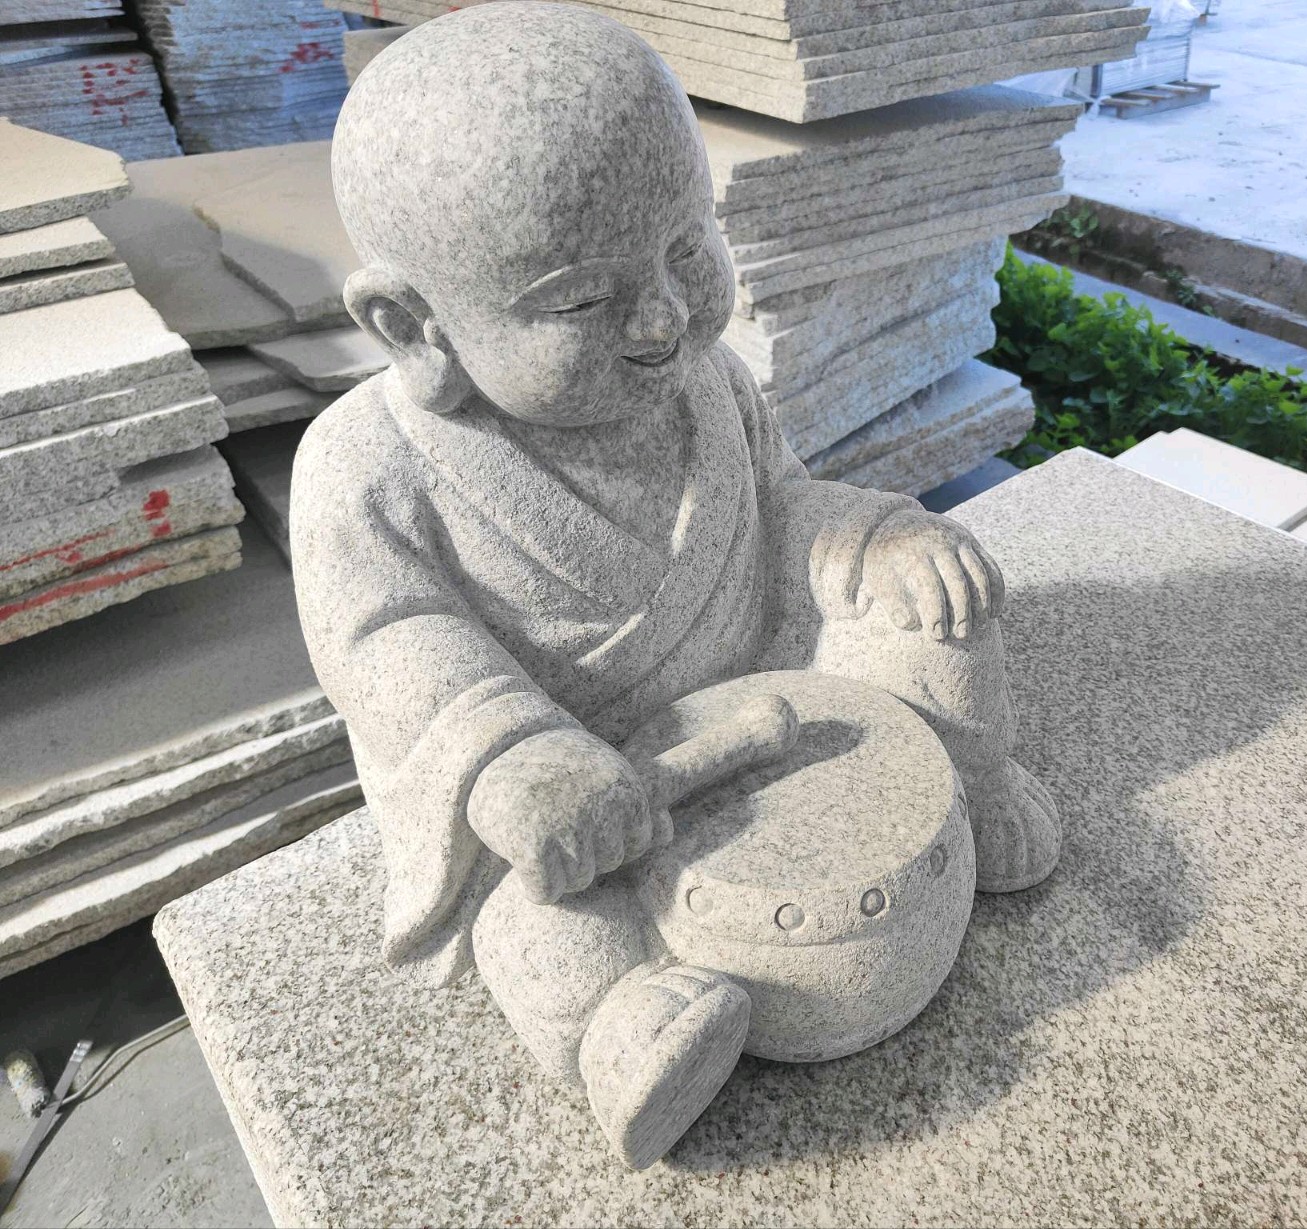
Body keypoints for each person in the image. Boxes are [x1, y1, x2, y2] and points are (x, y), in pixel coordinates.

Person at [291, 1, 1060, 1167]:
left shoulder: (712, 380)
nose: (662, 316)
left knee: (931, 622)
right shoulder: (368, 468)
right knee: (544, 903)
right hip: (587, 773)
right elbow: (385, 641)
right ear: (412, 324)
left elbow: (782, 505)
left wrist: (870, 538)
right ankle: (620, 1021)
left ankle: (971, 779)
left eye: (688, 248)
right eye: (579, 299)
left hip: (772, 692)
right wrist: (513, 759)